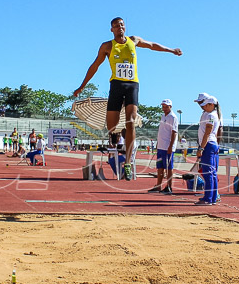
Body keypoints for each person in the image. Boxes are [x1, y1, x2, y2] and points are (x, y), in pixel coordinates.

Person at [72, 17, 182, 180]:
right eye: (116, 26)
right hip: (116, 85)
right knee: (112, 125)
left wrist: (171, 50)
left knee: (131, 121)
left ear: (125, 27)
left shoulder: (133, 40)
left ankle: (129, 162)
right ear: (112, 30)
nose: (120, 27)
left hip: (132, 85)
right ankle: (119, 131)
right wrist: (82, 86)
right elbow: (95, 65)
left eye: (122, 25)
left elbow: (152, 45)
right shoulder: (107, 46)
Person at [194, 93, 222, 205]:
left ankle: (208, 198)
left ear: (211, 105)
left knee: (208, 172)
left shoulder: (211, 116)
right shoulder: (211, 114)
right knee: (212, 173)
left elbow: (207, 132)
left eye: (206, 105)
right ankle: (212, 197)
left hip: (208, 145)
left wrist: (201, 147)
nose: (203, 107)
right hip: (211, 144)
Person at [149, 98, 179, 194]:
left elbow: (174, 132)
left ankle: (169, 186)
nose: (164, 108)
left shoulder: (173, 117)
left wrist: (170, 146)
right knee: (160, 166)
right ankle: (158, 185)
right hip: (161, 146)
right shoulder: (163, 116)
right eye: (163, 106)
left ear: (170, 106)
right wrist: (158, 143)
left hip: (167, 146)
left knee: (169, 167)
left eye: (166, 106)